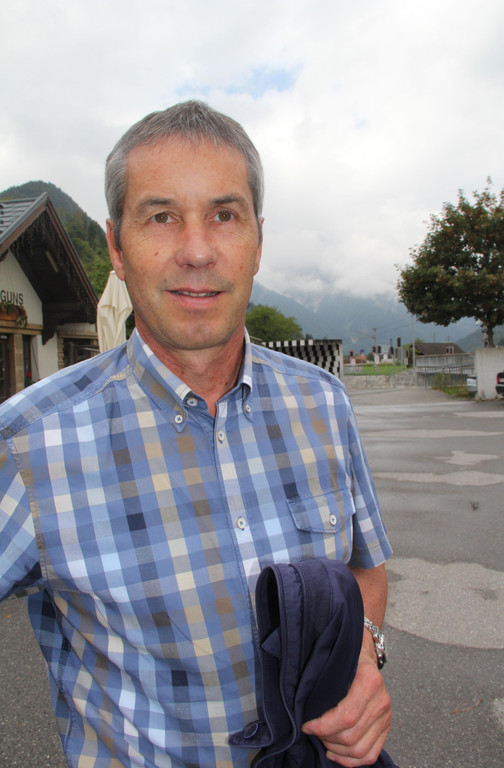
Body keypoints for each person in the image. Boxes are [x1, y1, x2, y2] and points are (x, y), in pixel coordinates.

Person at [0, 101, 393, 768]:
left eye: (224, 215)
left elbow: (365, 565)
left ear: (258, 241)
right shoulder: (30, 443)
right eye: (161, 217)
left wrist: (366, 658)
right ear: (117, 247)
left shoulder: (323, 402)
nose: (198, 251)